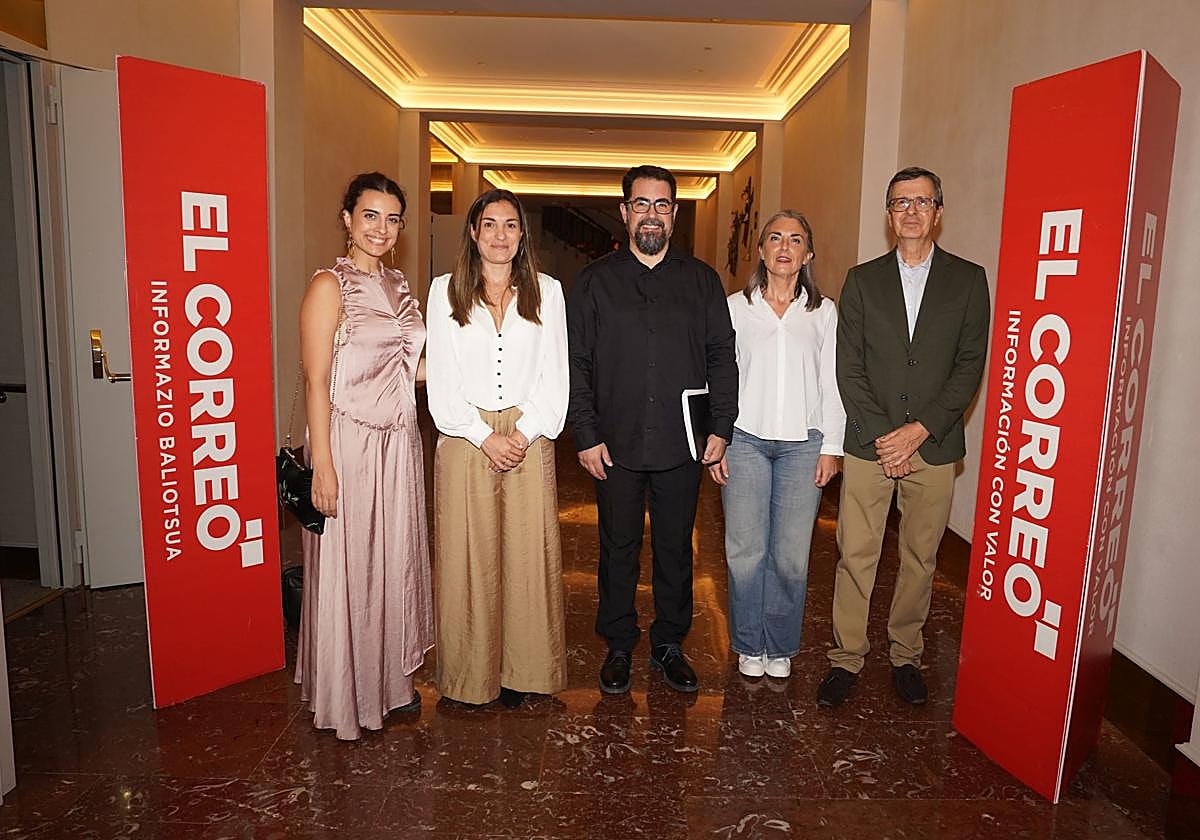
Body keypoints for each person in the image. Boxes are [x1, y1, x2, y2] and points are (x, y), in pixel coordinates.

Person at [818, 166, 990, 708]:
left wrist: (918, 431)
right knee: (855, 553)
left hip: (934, 446)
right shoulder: (862, 280)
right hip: (870, 445)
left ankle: (906, 656)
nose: (911, 211)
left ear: (938, 212)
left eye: (922, 201)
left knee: (920, 557)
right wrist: (884, 437)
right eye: (900, 203)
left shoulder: (968, 280)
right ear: (889, 215)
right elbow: (849, 366)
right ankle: (846, 657)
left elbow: (969, 366)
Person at [567, 164, 737, 694]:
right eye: (641, 204)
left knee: (675, 548)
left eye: (661, 205)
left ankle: (669, 643)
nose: (651, 215)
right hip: (613, 442)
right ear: (624, 212)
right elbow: (576, 362)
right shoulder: (593, 282)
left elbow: (721, 356)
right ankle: (619, 643)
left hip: (681, 441)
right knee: (617, 547)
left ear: (674, 214)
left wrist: (721, 426)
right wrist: (585, 433)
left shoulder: (702, 281)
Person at [295, 172, 433, 739]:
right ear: (347, 219)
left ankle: (390, 685)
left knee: (391, 565)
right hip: (347, 443)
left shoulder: (399, 285)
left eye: (392, 218)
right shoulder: (328, 285)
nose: (381, 228)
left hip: (398, 443)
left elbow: (413, 368)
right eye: (370, 215)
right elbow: (315, 379)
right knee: (351, 569)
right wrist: (323, 466)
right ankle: (345, 694)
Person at [426, 189, 568, 708]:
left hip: (529, 433)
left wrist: (523, 433)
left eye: (510, 225)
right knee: (468, 557)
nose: (500, 235)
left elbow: (556, 375)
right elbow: (441, 380)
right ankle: (470, 676)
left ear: (522, 234)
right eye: (490, 224)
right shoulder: (444, 291)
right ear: (473, 232)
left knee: (529, 556)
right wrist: (483, 435)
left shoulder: (547, 292)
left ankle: (525, 671)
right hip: (466, 436)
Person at [708, 211, 844, 680]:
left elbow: (833, 383)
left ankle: (781, 645)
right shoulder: (734, 308)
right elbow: (718, 378)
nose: (785, 247)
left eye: (796, 239)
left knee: (790, 555)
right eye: (775, 238)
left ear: (808, 254)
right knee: (744, 551)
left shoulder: (823, 312)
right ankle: (749, 643)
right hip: (743, 441)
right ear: (762, 250)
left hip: (803, 446)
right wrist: (717, 439)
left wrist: (832, 446)